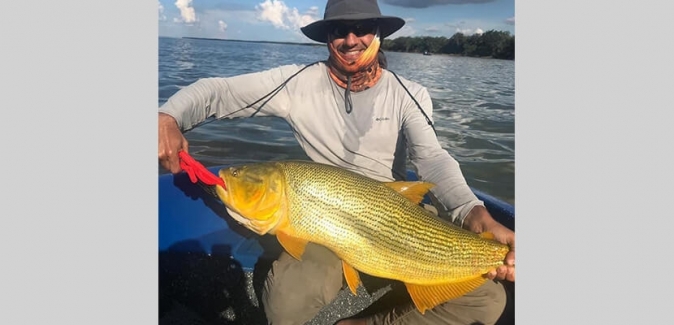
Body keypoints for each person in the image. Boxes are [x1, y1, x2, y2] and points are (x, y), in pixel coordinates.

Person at [157, 0, 515, 324]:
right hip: (325, 219)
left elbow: (432, 159)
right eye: (338, 30)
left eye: (361, 29)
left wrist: (473, 212)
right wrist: (168, 117)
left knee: (487, 301)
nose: (350, 39)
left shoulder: (410, 94)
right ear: (327, 37)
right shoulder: (297, 84)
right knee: (285, 305)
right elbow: (217, 92)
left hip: (398, 216)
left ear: (378, 35)